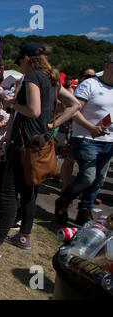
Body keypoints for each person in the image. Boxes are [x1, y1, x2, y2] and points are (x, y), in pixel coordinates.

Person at [0, 42, 81, 261]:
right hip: (39, 144)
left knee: (9, 193)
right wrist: (52, 124)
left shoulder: (32, 78)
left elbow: (33, 110)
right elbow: (74, 104)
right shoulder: (52, 79)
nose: (19, 65)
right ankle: (23, 236)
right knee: (29, 192)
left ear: (27, 59)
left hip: (24, 145)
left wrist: (12, 104)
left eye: (20, 60)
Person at [55, 53, 113, 226]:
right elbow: (74, 109)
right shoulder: (90, 84)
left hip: (109, 141)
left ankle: (84, 211)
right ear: (108, 65)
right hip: (87, 138)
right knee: (88, 177)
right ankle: (63, 201)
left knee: (99, 180)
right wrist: (91, 128)